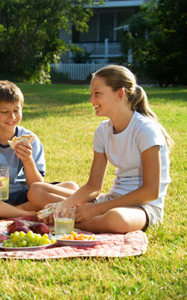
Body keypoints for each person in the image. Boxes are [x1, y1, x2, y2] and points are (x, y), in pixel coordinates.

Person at [45, 65, 173, 233]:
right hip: (113, 200)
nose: (91, 100)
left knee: (116, 219)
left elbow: (150, 192)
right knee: (40, 193)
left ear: (119, 94)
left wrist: (97, 209)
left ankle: (68, 221)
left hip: (143, 207)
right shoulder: (103, 131)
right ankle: (69, 217)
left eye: (97, 94)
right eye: (91, 94)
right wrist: (66, 204)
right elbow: (93, 186)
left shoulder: (145, 130)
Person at [0, 80, 78, 219]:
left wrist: (28, 160)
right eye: (5, 112)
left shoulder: (30, 140)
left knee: (71, 187)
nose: (12, 117)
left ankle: (4, 213)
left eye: (16, 110)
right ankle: (26, 214)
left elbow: (37, 185)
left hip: (24, 197)